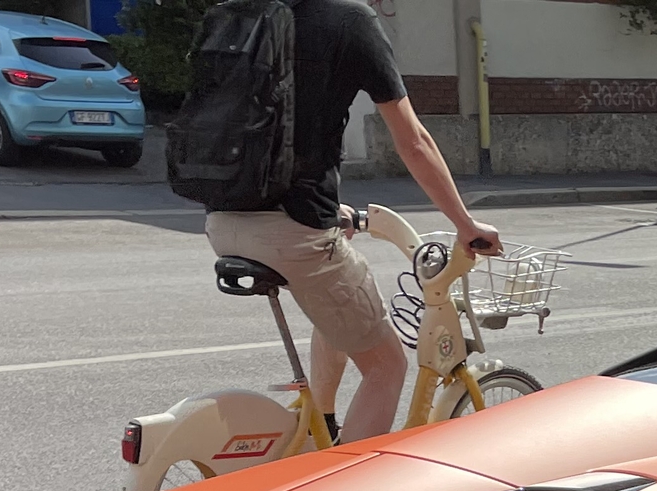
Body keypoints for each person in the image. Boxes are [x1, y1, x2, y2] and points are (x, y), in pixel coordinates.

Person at [204, 0, 500, 444]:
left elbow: (265, 129)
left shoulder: (242, 16)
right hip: (292, 233)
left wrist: (328, 207)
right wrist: (464, 223)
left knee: (339, 308)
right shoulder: (349, 20)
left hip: (223, 217)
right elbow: (414, 141)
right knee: (386, 367)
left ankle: (318, 429)